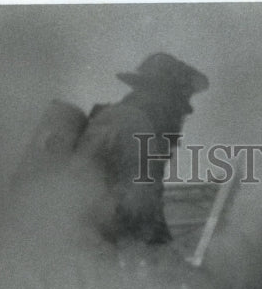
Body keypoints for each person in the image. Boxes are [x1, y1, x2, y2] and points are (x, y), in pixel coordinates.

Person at [74, 53, 209, 247]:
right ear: (164, 100)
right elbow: (141, 215)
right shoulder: (137, 128)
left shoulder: (112, 118)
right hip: (90, 246)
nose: (178, 122)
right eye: (178, 108)